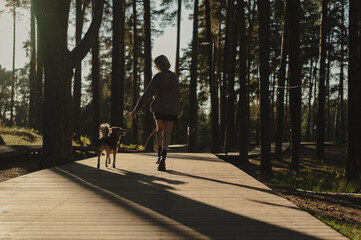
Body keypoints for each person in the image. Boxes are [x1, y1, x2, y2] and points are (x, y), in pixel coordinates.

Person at [130, 55, 182, 171]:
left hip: (159, 108)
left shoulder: (158, 77)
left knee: (160, 130)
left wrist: (137, 109)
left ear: (158, 65)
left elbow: (148, 93)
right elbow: (177, 94)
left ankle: (159, 154)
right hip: (172, 109)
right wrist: (179, 108)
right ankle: (164, 156)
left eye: (155, 64)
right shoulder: (174, 76)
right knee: (167, 133)